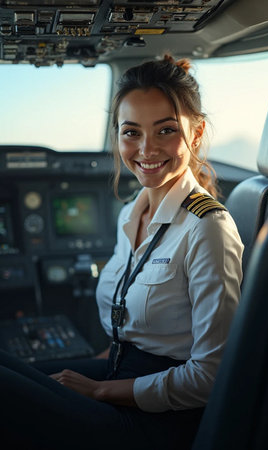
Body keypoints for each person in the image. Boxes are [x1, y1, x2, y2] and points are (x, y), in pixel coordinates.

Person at [0, 55, 243, 450]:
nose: (146, 149)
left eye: (166, 130)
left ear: (195, 135)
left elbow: (210, 377)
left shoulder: (207, 227)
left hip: (160, 421)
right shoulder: (131, 212)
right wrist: (101, 367)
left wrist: (99, 391)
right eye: (131, 132)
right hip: (118, 372)